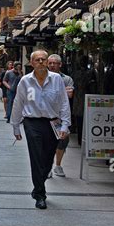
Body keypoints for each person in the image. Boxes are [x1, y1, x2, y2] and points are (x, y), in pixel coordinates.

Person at [12, 50, 71, 209]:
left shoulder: (57, 79)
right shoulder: (25, 81)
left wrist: (65, 125)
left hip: (52, 123)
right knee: (36, 157)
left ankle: (39, 182)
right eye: (37, 60)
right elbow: (18, 103)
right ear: (31, 63)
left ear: (47, 62)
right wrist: (16, 126)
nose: (40, 62)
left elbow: (64, 103)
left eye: (43, 59)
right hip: (32, 123)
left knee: (47, 159)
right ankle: (40, 193)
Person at [47, 54, 74, 177]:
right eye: (50, 63)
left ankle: (57, 165)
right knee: (47, 142)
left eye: (55, 63)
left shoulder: (67, 79)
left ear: (60, 65)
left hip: (61, 116)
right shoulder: (42, 77)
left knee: (62, 141)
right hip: (46, 115)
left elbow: (69, 95)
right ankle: (48, 167)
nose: (52, 65)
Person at [73, 55, 98, 145]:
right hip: (86, 99)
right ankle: (85, 140)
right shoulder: (90, 73)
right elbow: (93, 87)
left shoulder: (76, 73)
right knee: (87, 121)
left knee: (80, 121)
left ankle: (80, 139)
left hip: (78, 100)